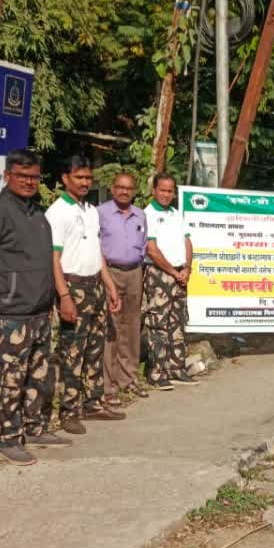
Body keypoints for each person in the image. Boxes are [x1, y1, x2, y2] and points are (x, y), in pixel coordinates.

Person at [0, 149, 70, 467]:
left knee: (38, 375)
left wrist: (51, 298)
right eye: (22, 176)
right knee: (10, 379)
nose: (29, 182)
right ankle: (8, 437)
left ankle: (34, 427)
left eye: (34, 177)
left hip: (40, 310)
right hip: (9, 314)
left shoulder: (37, 213)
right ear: (7, 175)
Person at [45, 156, 125, 435]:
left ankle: (93, 403)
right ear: (65, 178)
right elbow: (53, 258)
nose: (84, 182)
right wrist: (64, 295)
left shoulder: (91, 210)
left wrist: (110, 285)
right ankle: (69, 410)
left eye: (88, 178)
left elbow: (96, 252)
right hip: (73, 286)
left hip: (95, 285)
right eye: (79, 177)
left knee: (93, 348)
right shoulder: (57, 213)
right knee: (72, 352)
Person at [143, 173, 199, 390]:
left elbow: (187, 241)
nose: (166, 194)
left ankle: (176, 368)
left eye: (170, 190)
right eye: (162, 190)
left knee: (177, 322)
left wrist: (187, 268)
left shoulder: (176, 214)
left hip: (180, 273)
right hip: (159, 274)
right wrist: (174, 273)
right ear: (154, 190)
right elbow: (152, 250)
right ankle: (157, 373)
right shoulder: (147, 214)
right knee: (159, 323)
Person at [99, 172, 150, 403]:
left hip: (134, 272)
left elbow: (144, 244)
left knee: (132, 325)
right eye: (119, 187)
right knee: (112, 327)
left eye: (128, 188)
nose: (124, 191)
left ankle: (128, 379)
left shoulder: (140, 214)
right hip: (110, 272)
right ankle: (108, 386)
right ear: (112, 188)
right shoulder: (100, 213)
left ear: (134, 190)